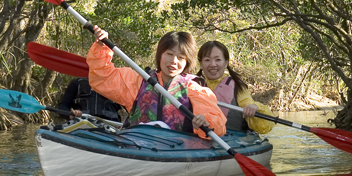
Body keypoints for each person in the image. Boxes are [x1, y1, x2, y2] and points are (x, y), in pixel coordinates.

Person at [86, 27, 226, 138]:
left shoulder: (194, 88)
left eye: (180, 57)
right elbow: (102, 77)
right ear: (160, 55)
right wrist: (101, 46)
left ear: (187, 62)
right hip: (137, 144)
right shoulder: (138, 80)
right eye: (169, 54)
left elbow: (216, 123)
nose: (173, 61)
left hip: (176, 150)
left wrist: (204, 121)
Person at [197, 41, 274, 134]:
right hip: (197, 139)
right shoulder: (191, 86)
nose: (213, 64)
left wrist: (254, 107)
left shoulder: (237, 87)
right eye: (207, 60)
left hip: (231, 139)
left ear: (226, 63)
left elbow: (264, 127)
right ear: (201, 64)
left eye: (218, 60)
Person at [57, 77, 123, 122]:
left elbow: (132, 110)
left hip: (111, 131)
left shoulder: (118, 87)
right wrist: (70, 114)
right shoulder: (77, 84)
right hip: (81, 128)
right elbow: (62, 106)